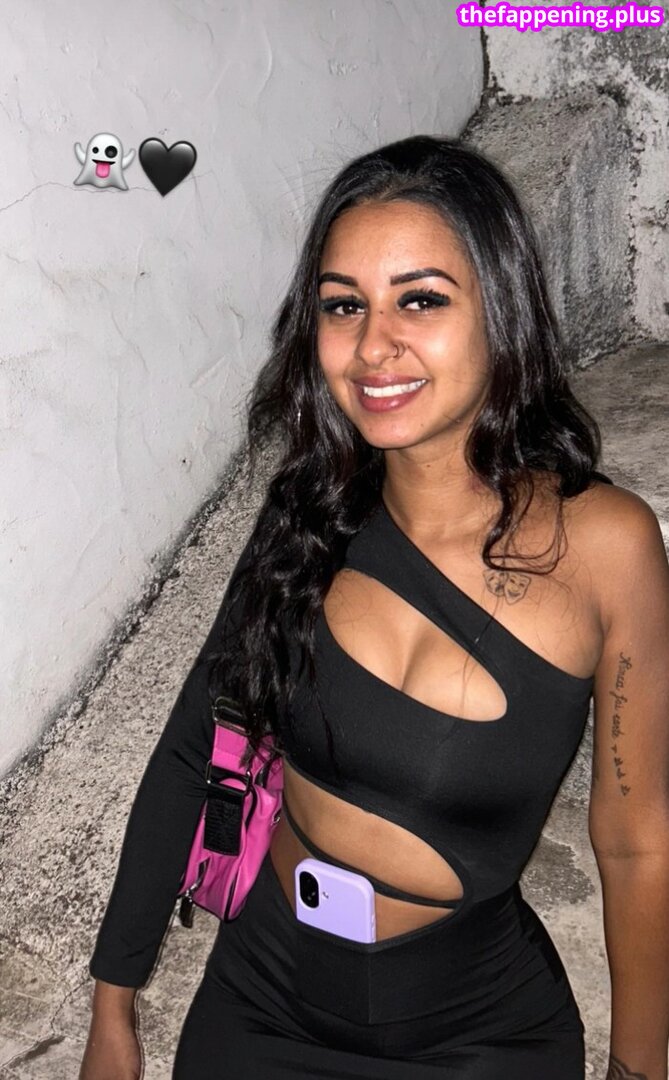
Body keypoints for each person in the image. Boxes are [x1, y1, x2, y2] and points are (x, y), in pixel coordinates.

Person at [79, 136, 669, 1080]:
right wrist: (114, 1005)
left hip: (473, 1031)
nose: (372, 345)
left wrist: (639, 1070)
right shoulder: (309, 514)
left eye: (420, 300)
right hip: (262, 995)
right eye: (342, 305)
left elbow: (636, 842)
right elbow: (194, 744)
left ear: (501, 309)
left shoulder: (605, 547)